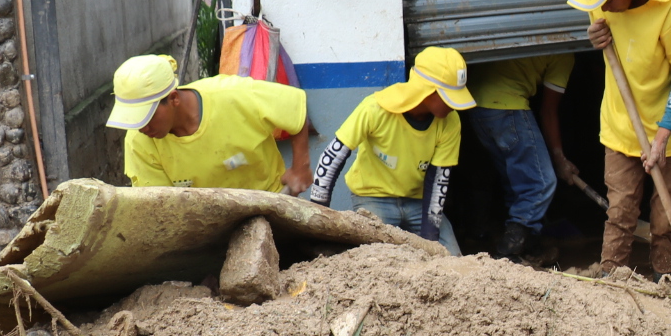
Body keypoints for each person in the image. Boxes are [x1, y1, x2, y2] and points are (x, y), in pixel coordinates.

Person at [566, 0, 671, 280]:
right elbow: (611, 42)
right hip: (622, 123)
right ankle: (611, 278)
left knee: (665, 219)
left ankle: (666, 282)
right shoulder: (600, 3)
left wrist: (661, 138)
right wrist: (596, 36)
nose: (599, 5)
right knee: (620, 211)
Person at [304, 46, 475, 255]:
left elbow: (438, 179)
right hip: (373, 198)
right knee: (376, 260)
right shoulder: (375, 108)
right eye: (449, 96)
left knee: (452, 260)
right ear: (426, 89)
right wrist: (318, 222)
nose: (455, 105)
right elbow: (332, 158)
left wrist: (431, 242)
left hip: (419, 203)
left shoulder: (451, 121)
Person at [108, 53, 314, 193]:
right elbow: (159, 206)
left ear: (173, 99)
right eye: (133, 119)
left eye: (146, 116)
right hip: (207, 229)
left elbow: (294, 109)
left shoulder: (234, 95)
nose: (142, 127)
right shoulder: (139, 142)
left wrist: (301, 167)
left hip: (271, 203)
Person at [466, 53, 575, 260]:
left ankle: (529, 248)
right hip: (507, 106)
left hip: (476, 107)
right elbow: (548, 111)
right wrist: (559, 159)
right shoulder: (565, 53)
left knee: (516, 182)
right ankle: (509, 249)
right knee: (541, 182)